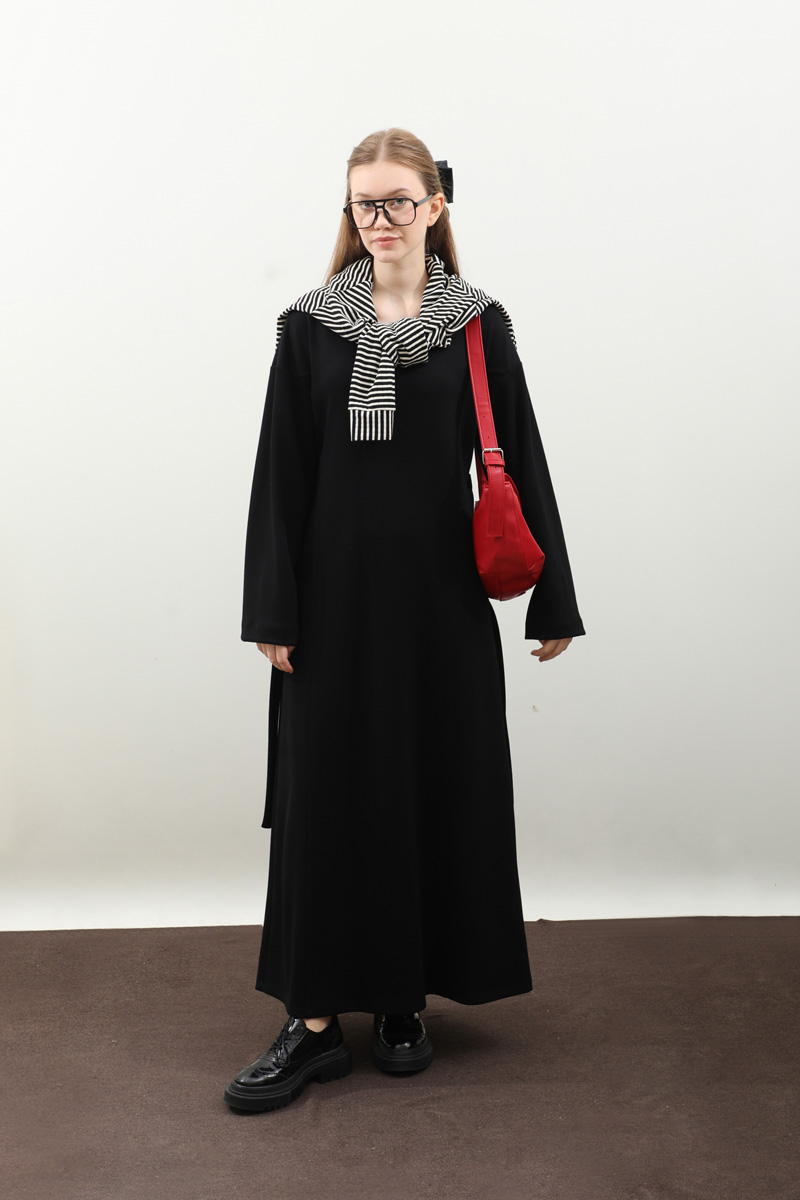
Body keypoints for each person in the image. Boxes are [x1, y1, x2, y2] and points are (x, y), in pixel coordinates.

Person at [224, 128, 585, 1114]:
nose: (378, 219)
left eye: (396, 200)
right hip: (330, 609)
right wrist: (272, 608)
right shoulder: (308, 328)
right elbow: (279, 474)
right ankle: (309, 1025)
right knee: (327, 799)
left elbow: (520, 458)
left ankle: (399, 1002)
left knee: (426, 791)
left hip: (439, 609)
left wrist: (552, 598)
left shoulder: (475, 325)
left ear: (434, 204)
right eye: (363, 203)